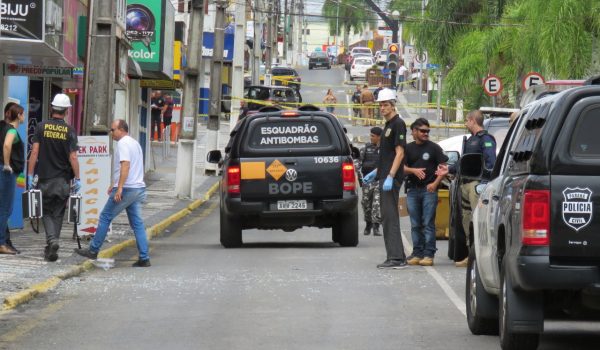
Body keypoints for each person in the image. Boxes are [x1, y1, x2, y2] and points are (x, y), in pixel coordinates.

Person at [76, 119, 151, 267]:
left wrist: (120, 187)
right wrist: (115, 184)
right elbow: (134, 167)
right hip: (137, 188)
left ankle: (93, 250)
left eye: (113, 130)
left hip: (127, 188)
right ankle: (144, 257)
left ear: (121, 130)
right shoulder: (134, 143)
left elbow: (126, 165)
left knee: (105, 216)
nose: (111, 133)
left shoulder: (123, 143)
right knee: (137, 223)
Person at [28, 93, 80, 262]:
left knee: (47, 212)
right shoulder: (70, 131)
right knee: (57, 213)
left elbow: (34, 152)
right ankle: (52, 248)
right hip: (63, 180)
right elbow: (73, 157)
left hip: (45, 179)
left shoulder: (41, 127)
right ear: (66, 111)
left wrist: (29, 175)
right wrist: (78, 178)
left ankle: (52, 241)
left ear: (51, 108)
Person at [363, 88, 408, 269]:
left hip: (391, 178)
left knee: (390, 218)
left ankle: (396, 258)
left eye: (385, 104)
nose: (382, 108)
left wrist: (390, 176)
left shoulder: (398, 124)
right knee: (388, 217)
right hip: (383, 175)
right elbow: (387, 155)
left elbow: (400, 152)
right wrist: (377, 172)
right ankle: (397, 256)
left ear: (393, 105)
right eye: (381, 105)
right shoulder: (388, 125)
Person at [447, 110, 496, 267]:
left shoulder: (486, 139)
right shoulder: (470, 140)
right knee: (467, 220)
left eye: (467, 121)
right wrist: (448, 170)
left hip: (476, 185)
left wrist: (484, 183)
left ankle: (480, 257)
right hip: (465, 184)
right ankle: (471, 255)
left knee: (477, 220)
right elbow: (463, 162)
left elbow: (490, 162)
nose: (466, 124)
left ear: (473, 120)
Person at [403, 118, 448, 266]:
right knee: (415, 224)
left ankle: (429, 254)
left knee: (428, 223)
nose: (425, 133)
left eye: (427, 131)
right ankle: (417, 253)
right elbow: (400, 167)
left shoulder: (434, 148)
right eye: (422, 131)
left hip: (428, 191)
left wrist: (435, 184)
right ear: (414, 131)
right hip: (412, 191)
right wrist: (413, 171)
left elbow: (443, 168)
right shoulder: (408, 148)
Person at [0, 103, 25, 255]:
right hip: (6, 172)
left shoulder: (1, 127)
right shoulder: (11, 130)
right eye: (23, 113)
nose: (24, 116)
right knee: (5, 209)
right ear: (18, 115)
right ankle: (1, 243)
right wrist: (7, 164)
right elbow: (7, 145)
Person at [357, 127, 382, 236]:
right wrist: (361, 179)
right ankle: (368, 224)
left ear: (379, 137)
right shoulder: (365, 148)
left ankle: (376, 226)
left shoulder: (384, 150)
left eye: (373, 136)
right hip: (367, 181)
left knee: (377, 203)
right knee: (366, 204)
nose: (371, 138)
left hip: (379, 181)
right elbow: (358, 164)